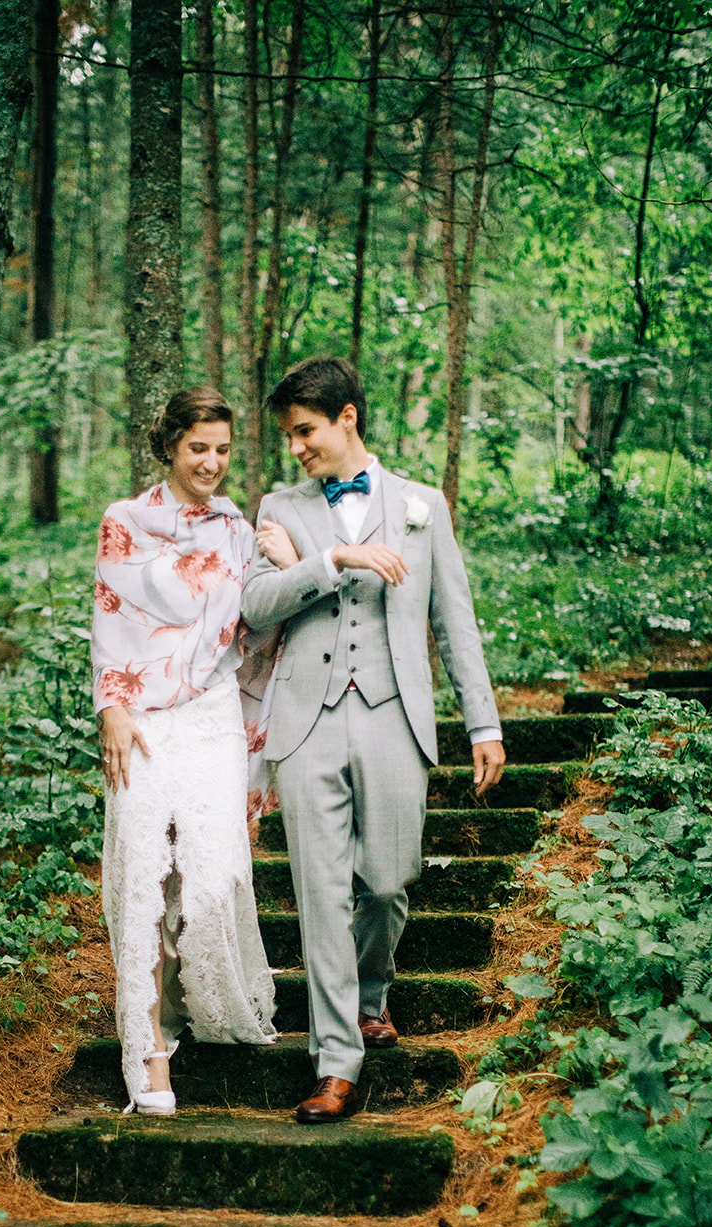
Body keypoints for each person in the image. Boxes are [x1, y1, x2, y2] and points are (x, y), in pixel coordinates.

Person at [243, 356, 505, 1125]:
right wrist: (327, 562)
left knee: (386, 881)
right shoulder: (279, 507)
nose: (296, 447)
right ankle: (335, 1063)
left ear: (347, 417)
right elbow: (255, 607)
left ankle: (370, 995)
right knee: (320, 896)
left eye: (305, 431)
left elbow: (452, 620)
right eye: (289, 435)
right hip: (305, 720)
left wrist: (481, 722)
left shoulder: (424, 505)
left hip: (393, 712)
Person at [92, 387, 296, 1114]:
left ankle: (201, 1003)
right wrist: (111, 707)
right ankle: (147, 1049)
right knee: (142, 874)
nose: (210, 462)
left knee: (211, 879)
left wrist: (291, 561)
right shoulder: (125, 521)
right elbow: (110, 619)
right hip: (141, 719)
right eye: (196, 448)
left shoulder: (238, 529)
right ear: (170, 447)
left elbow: (257, 638)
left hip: (213, 717)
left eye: (220, 450)